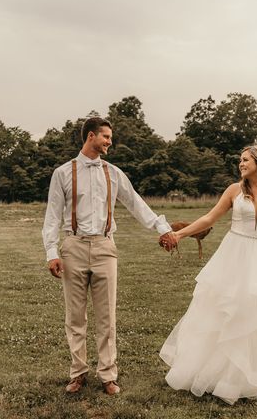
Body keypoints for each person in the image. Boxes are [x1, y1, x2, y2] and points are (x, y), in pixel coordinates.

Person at [159, 145, 257, 405]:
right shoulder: (234, 190)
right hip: (234, 255)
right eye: (240, 160)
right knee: (229, 311)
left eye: (245, 160)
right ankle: (218, 374)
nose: (241, 164)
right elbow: (210, 218)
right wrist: (179, 234)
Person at [42, 117, 176, 395]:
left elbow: (136, 203)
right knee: (75, 316)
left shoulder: (114, 173)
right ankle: (78, 372)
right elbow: (52, 216)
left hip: (105, 248)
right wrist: (52, 252)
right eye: (106, 137)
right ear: (91, 136)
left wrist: (162, 229)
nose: (110, 142)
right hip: (73, 247)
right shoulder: (62, 173)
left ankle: (107, 375)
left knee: (107, 316)